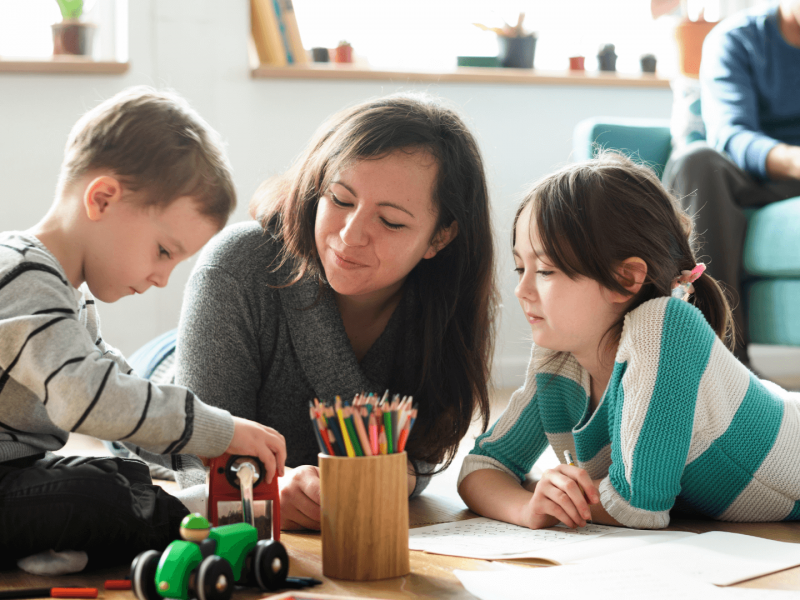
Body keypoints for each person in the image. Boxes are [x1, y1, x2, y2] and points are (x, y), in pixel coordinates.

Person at [176, 93, 498, 530]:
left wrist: (394, 475)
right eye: (341, 200)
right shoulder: (235, 264)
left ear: (440, 238)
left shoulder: (446, 303)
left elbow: (420, 456)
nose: (350, 235)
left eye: (391, 222)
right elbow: (199, 464)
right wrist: (269, 493)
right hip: (167, 374)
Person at [0, 86, 286, 571]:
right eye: (163, 252)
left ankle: (74, 540)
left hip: (15, 476)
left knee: (122, 475)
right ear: (104, 198)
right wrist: (218, 431)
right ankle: (194, 527)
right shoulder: (22, 276)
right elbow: (87, 397)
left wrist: (204, 463)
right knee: (95, 494)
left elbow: (125, 392)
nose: (162, 278)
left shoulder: (70, 293)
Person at [458, 152, 800, 530]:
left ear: (625, 279)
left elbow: (637, 506)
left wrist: (560, 499)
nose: (521, 290)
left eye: (546, 270)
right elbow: (482, 466)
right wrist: (528, 508)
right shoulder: (558, 356)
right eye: (521, 268)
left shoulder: (664, 327)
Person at [662, 0, 800, 366]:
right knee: (696, 161)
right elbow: (732, 134)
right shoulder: (737, 39)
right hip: (755, 175)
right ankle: (719, 358)